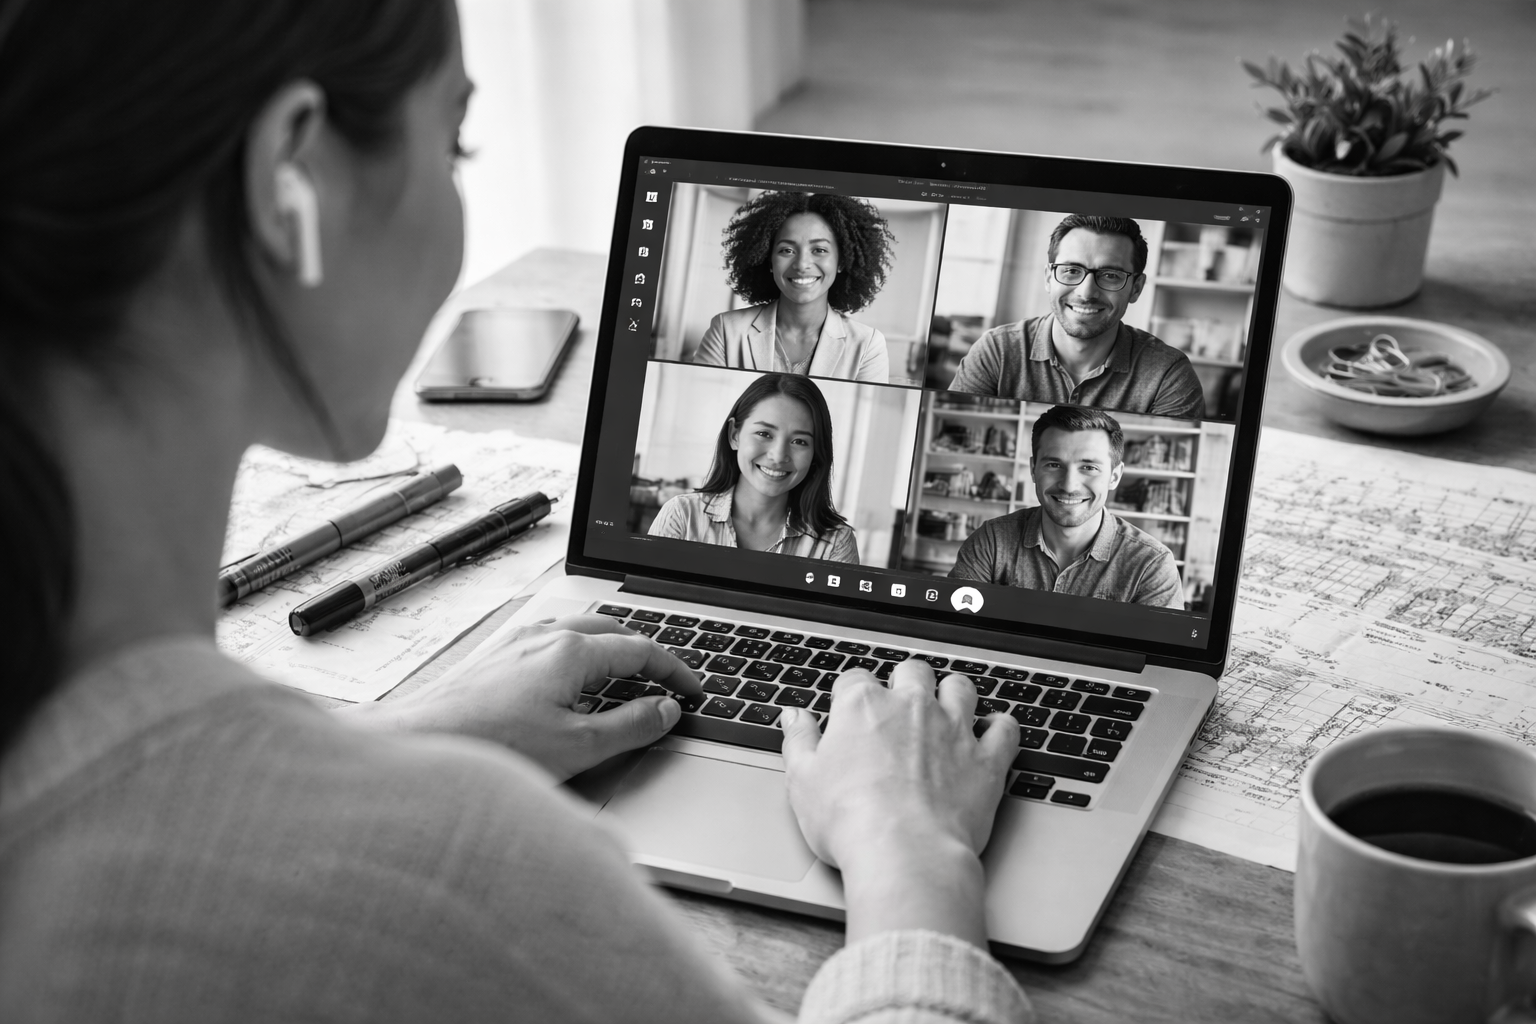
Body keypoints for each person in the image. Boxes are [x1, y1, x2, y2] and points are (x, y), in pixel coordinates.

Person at [0, 1, 1031, 1021]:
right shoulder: (460, 884)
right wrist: (911, 859)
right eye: (456, 140)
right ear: (291, 180)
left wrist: (399, 744)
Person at [948, 214, 1206, 419]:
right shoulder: (997, 350)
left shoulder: (1168, 374)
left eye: (1110, 275)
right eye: (1071, 270)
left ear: (1136, 288)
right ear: (1049, 277)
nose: (1086, 292)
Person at [950, 406, 1184, 608]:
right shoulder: (992, 540)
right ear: (1033, 469)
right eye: (1054, 464)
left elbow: (1158, 658)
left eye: (1089, 467)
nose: (1069, 485)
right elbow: (952, 627)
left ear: (1114, 476)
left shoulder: (1152, 564)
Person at [649, 373, 859, 563]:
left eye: (799, 442)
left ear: (815, 453)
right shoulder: (682, 516)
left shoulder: (835, 543)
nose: (778, 456)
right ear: (734, 435)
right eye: (764, 434)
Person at [691, 192, 895, 383]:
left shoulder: (867, 345)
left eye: (819, 250)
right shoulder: (726, 330)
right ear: (768, 260)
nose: (801, 264)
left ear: (841, 262)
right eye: (787, 250)